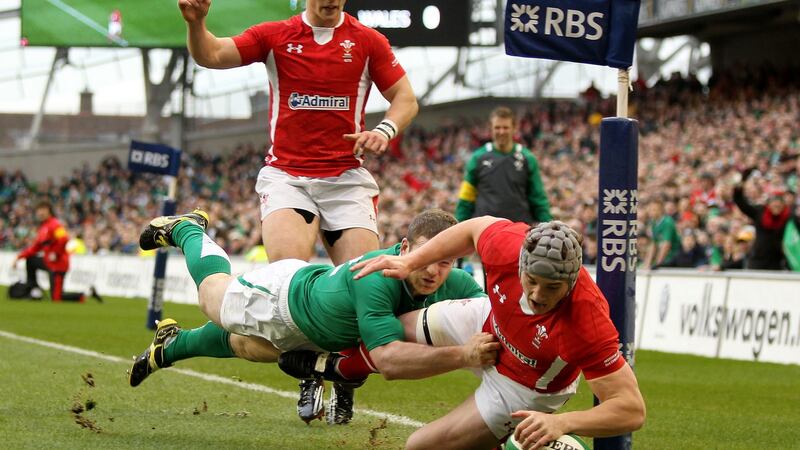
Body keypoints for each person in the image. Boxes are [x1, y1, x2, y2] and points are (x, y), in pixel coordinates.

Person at [177, 0, 419, 421]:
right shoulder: (275, 36)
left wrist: (385, 129)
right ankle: (309, 375)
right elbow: (211, 54)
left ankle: (343, 379)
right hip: (288, 177)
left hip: (346, 180)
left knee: (366, 287)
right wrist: (197, 23)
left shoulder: (366, 41)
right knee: (289, 282)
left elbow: (405, 98)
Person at [128, 209, 498, 426]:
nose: (434, 271)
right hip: (282, 300)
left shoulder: (458, 282)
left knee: (248, 347)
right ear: (404, 249)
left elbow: (490, 313)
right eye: (425, 256)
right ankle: (186, 229)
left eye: (445, 261)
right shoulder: (377, 277)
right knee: (212, 295)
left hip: (318, 331)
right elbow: (387, 359)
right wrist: (463, 355)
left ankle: (170, 345)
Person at [350, 218, 646, 450]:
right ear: (521, 264)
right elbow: (470, 230)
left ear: (571, 281)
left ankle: (497, 442)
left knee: (420, 446)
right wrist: (409, 262)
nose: (537, 295)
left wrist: (564, 424)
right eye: (531, 281)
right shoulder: (507, 245)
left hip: (525, 386)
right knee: (392, 330)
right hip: (488, 321)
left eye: (552, 287)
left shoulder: (586, 320)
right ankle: (339, 371)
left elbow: (631, 409)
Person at [455, 106, 552, 224]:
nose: (501, 131)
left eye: (505, 127)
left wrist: (548, 225)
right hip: (485, 231)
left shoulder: (527, 158)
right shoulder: (477, 158)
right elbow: (466, 198)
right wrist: (458, 225)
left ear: (514, 128)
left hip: (519, 230)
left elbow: (538, 197)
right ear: (491, 128)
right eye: (497, 127)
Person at [14, 201, 101, 303]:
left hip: (58, 265)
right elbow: (36, 247)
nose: (39, 213)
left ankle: (86, 293)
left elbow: (64, 239)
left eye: (42, 210)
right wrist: (19, 257)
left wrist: (55, 252)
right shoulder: (43, 227)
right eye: (38, 210)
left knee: (56, 298)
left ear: (48, 211)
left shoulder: (55, 225)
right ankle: (34, 289)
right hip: (48, 262)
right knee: (31, 260)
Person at [733, 168, 794, 270]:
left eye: (779, 204)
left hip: (778, 262)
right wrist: (742, 181)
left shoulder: (789, 218)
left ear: (783, 205)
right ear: (769, 205)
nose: (776, 206)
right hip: (757, 261)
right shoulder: (760, 212)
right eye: (774, 203)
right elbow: (740, 202)